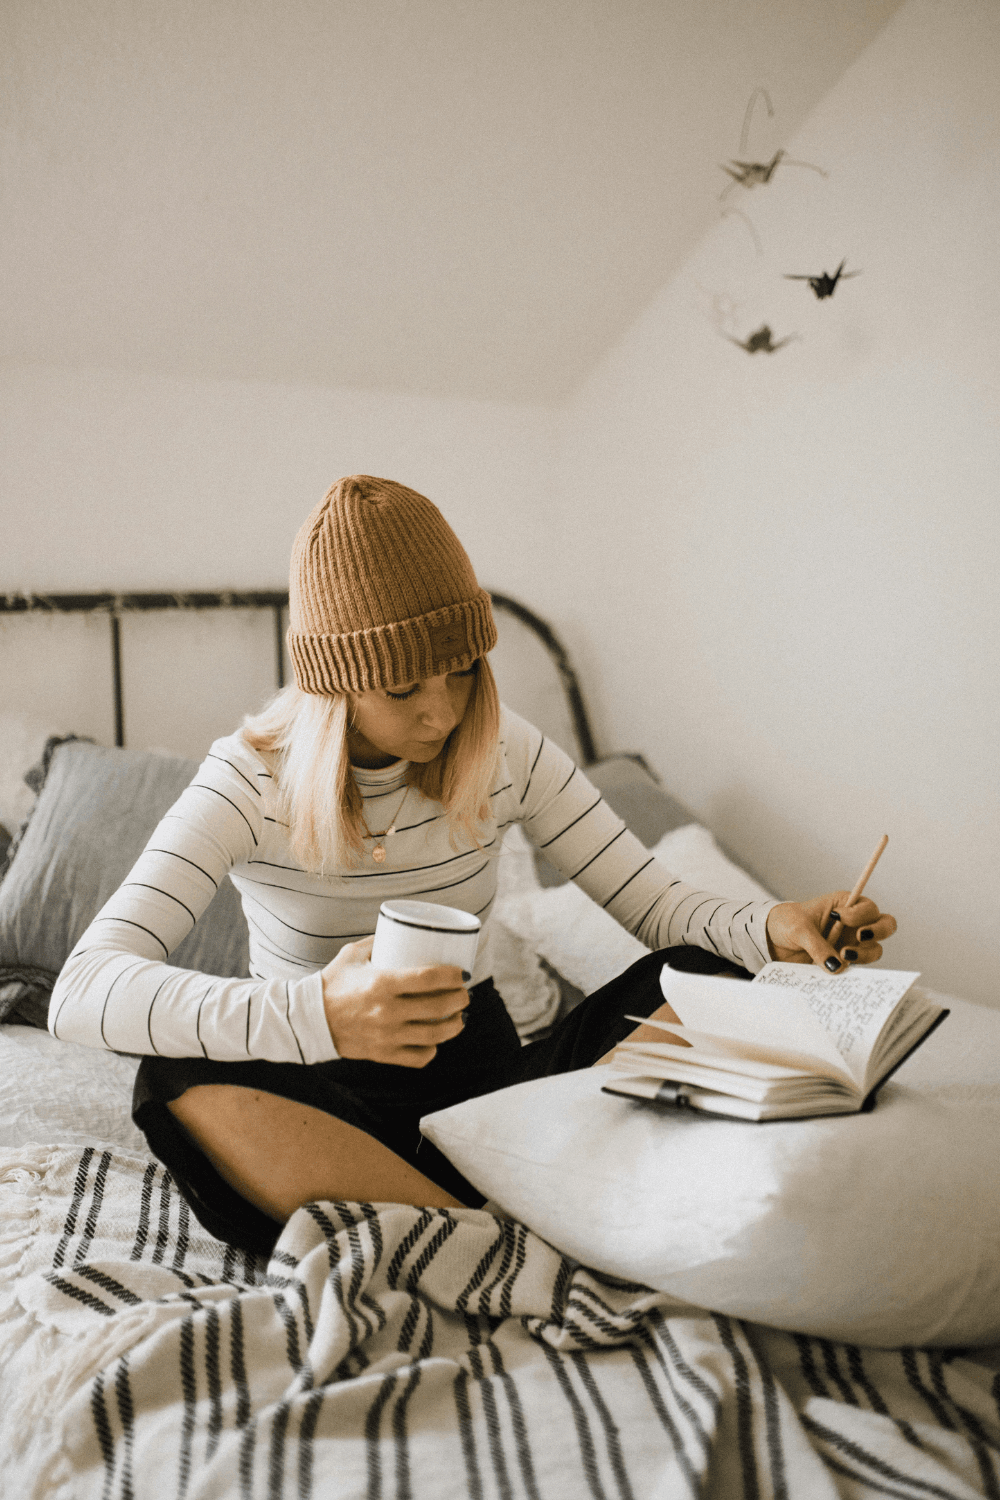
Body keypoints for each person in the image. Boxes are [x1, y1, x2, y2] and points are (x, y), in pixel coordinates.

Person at [49, 475, 897, 1257]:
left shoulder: (505, 751)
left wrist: (769, 926)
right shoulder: (247, 780)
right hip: (326, 1118)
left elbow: (659, 905)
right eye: (404, 690)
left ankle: (462, 1225)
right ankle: (500, 1232)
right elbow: (82, 990)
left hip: (499, 1106)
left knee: (703, 973)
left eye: (460, 674)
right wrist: (317, 1014)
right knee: (172, 1074)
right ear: (336, 689)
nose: (443, 713)